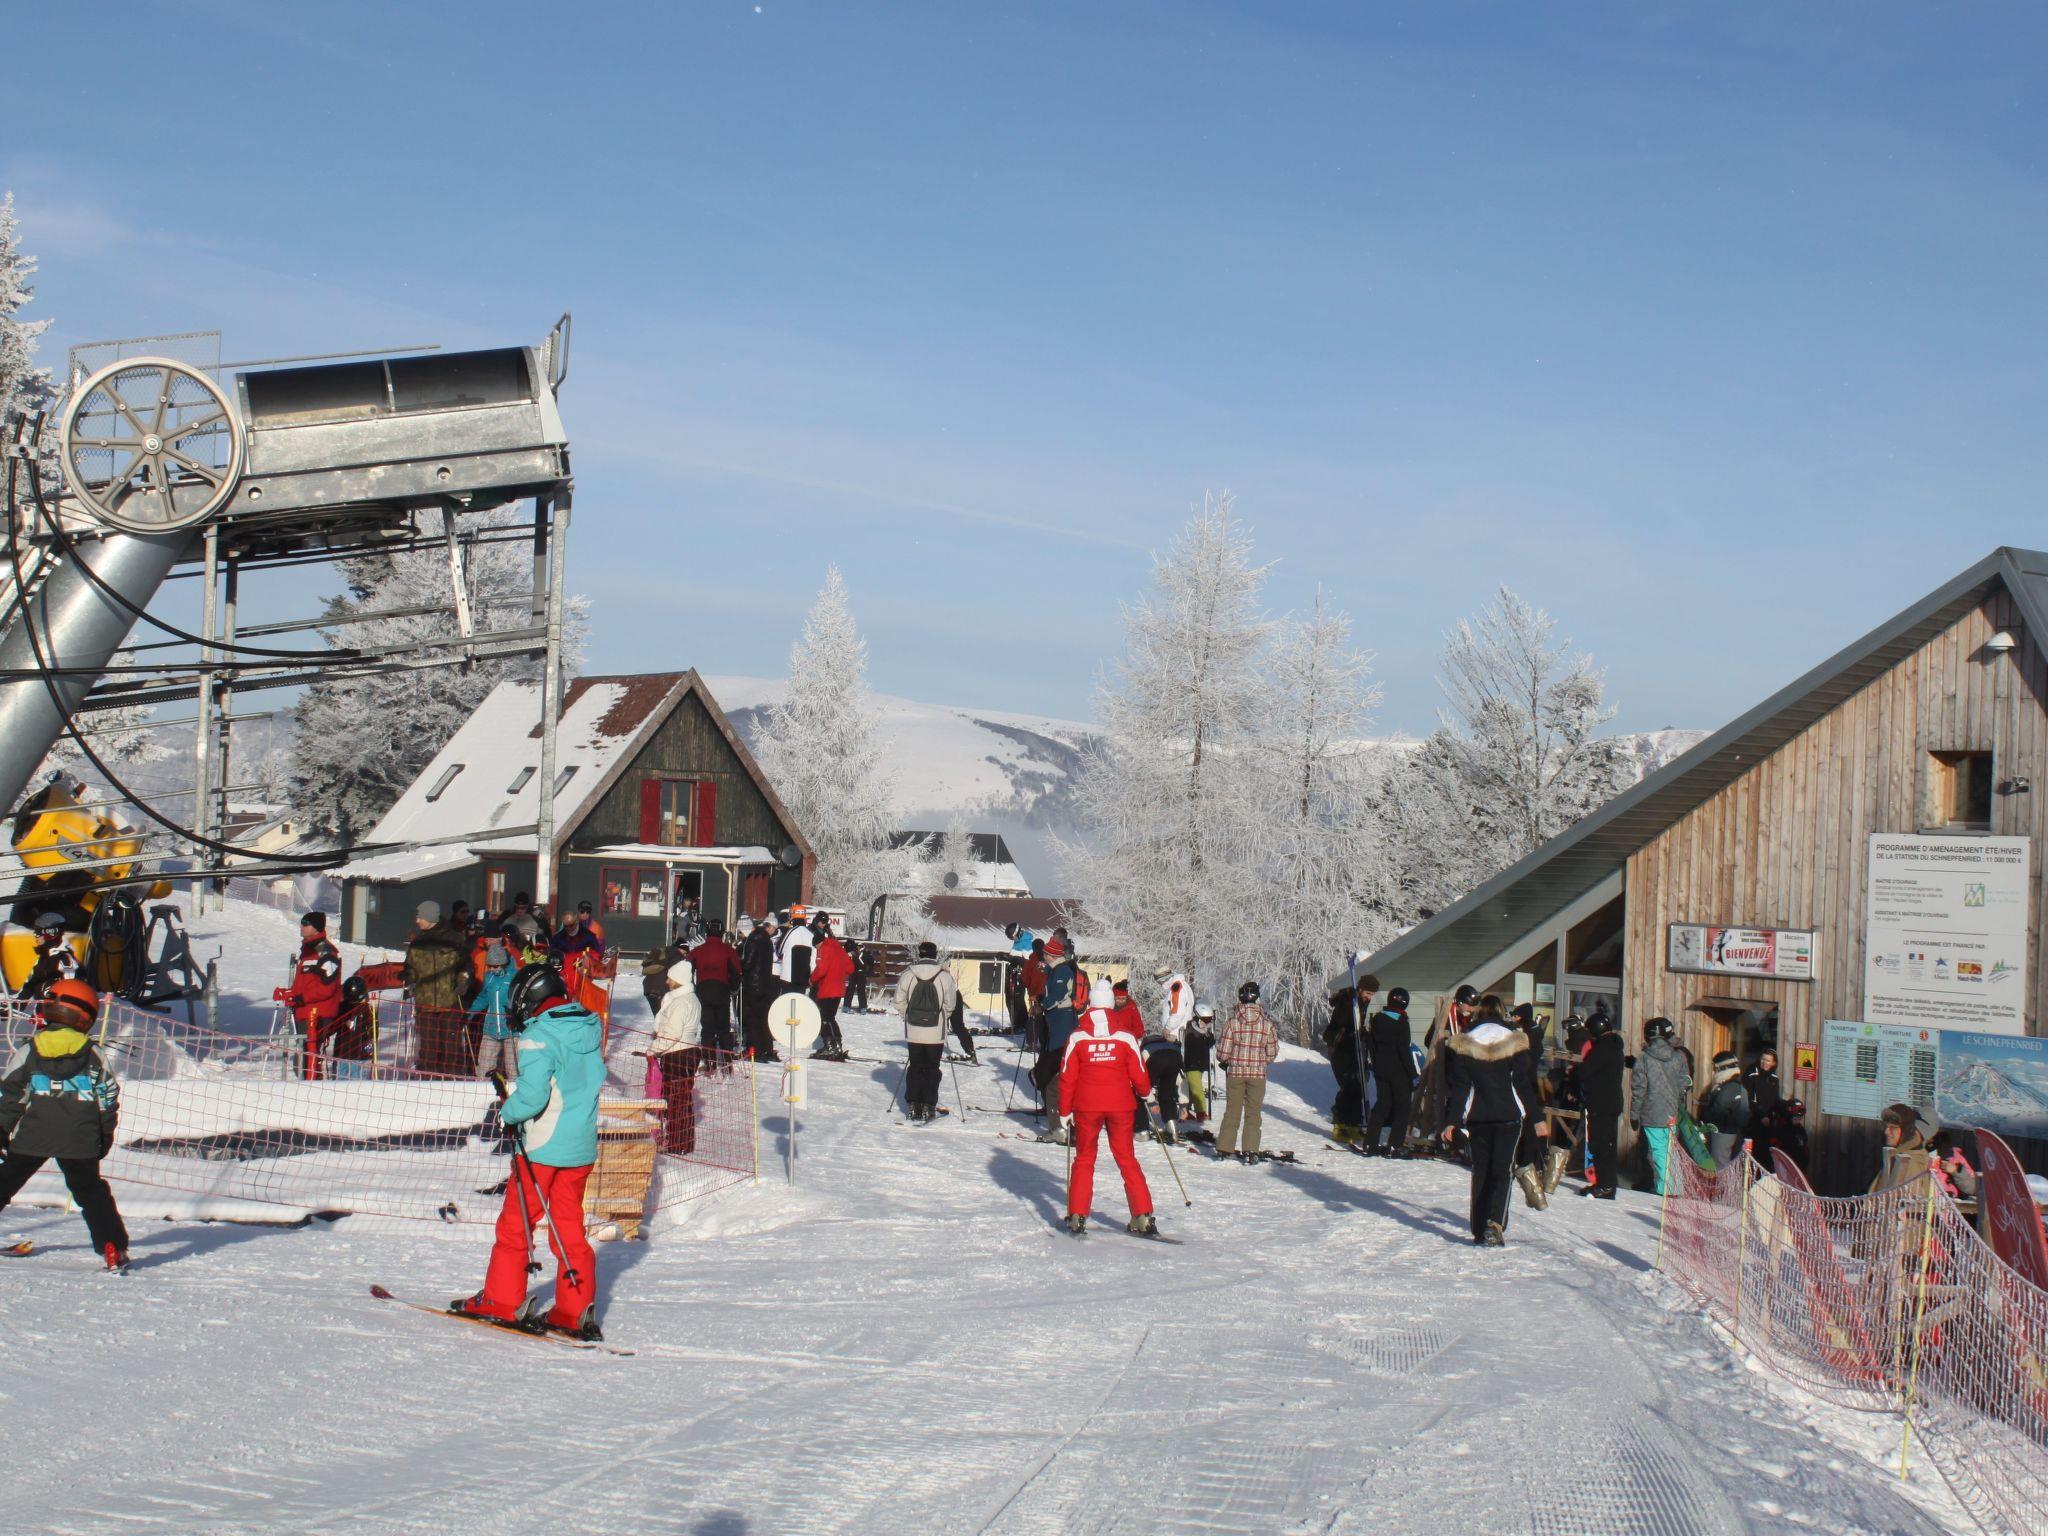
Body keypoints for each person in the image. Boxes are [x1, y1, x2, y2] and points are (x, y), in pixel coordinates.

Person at [454, 964, 606, 1340]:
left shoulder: (538, 1035)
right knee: (568, 1224)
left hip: (540, 1148)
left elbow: (534, 1096)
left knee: (516, 1224)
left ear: (528, 998)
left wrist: (509, 1113)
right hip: (580, 1147)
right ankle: (574, 1308)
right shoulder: (589, 1027)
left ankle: (502, 1300)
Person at [0, 979, 128, 1270]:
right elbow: (108, 1096)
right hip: (79, 1139)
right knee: (91, 1192)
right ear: (86, 1017)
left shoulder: (30, 1050)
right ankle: (112, 1246)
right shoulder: (93, 1054)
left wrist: (2, 1128)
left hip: (33, 1135)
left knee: (5, 1182)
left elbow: (12, 1094)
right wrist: (105, 1131)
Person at [1441, 1004, 1545, 1246]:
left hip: (1477, 1116)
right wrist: (1537, 1117)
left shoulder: (1465, 1043)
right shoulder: (1513, 1041)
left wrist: (1452, 1122)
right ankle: (1495, 1224)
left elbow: (1461, 1086)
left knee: (1481, 1171)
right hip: (1508, 1115)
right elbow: (1522, 1083)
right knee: (1502, 1170)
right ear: (1502, 1014)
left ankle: (1479, 1228)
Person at [1059, 1004, 1158, 1235]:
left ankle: (1077, 1215)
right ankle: (1142, 1215)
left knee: (1084, 1158)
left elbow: (1067, 1076)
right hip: (1120, 1105)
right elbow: (1138, 1070)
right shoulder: (1125, 1036)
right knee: (1126, 1158)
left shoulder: (1077, 1036)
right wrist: (1147, 1094)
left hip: (1087, 1105)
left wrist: (1064, 1110)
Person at [405, 901, 472, 1075]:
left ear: (429, 917)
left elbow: (465, 965)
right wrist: (408, 978)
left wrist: (463, 982)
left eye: (420, 917)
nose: (417, 921)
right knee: (428, 1051)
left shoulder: (454, 939)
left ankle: (452, 1082)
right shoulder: (418, 942)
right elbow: (410, 967)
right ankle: (427, 1082)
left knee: (451, 1050)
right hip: (425, 1005)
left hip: (450, 1003)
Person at [1216, 981, 1279, 1162]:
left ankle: (1224, 1148)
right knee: (1253, 1112)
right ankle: (1251, 1150)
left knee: (1232, 1110)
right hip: (1257, 1074)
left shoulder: (1232, 1023)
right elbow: (1272, 1052)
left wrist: (1228, 1060)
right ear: (1257, 997)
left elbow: (1222, 1053)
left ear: (1240, 997)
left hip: (1235, 1073)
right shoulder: (1267, 1025)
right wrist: (1261, 1061)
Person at [895, 941, 958, 1124]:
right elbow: (950, 1004)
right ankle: (928, 1106)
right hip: (935, 1032)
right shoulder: (944, 976)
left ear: (919, 954)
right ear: (935, 955)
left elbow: (899, 1001)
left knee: (915, 1067)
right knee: (932, 1068)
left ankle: (913, 1104)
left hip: (914, 1030)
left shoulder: (908, 974)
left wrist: (907, 1016)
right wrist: (943, 1017)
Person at [276, 911, 343, 1082]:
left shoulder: (325, 952)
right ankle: (310, 1086)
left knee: (308, 1060)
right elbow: (306, 983)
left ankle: (314, 1089)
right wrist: (289, 993)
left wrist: (300, 998)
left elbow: (327, 988)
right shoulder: (308, 951)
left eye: (306, 923)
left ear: (316, 927)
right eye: (302, 922)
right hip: (304, 1012)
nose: (301, 926)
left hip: (317, 1014)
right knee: (303, 1060)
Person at [647, 960, 704, 1154]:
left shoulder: (681, 1003)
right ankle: (682, 1142)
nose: (667, 982)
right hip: (685, 1051)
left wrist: (653, 1050)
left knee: (676, 1101)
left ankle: (678, 1143)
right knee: (681, 1099)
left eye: (670, 978)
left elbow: (672, 1033)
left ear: (678, 979)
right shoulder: (690, 999)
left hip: (678, 1053)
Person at [1630, 1017, 1691, 1195]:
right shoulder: (1678, 1057)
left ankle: (1667, 1188)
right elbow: (1685, 1082)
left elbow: (1639, 1090)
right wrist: (1676, 1098)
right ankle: (1675, 1185)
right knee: (1670, 1149)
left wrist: (1634, 1114)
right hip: (1671, 1110)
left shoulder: (1644, 1059)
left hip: (1651, 1111)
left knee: (1658, 1150)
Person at [1032, 939, 1081, 1136]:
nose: (1043, 956)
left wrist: (1043, 1005)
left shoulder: (1062, 971)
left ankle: (1060, 1122)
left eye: (1045, 953)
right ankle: (1057, 1116)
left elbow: (1060, 993)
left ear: (1051, 955)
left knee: (1051, 1071)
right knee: (1047, 1071)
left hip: (1062, 1025)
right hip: (1057, 1024)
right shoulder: (1056, 969)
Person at [1361, 986, 1415, 1156]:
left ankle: (1370, 1143)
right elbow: (1403, 1050)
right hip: (1399, 1071)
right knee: (1403, 1107)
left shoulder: (1377, 1018)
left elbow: (1372, 1044)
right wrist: (1412, 1073)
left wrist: (1375, 1063)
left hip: (1381, 1069)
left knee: (1383, 1105)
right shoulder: (1401, 1022)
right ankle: (1395, 1145)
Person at [1578, 1010, 1626, 1199]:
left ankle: (1606, 1185)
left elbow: (1586, 1071)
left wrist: (1573, 1072)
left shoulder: (1602, 1049)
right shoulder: (1614, 1046)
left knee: (1601, 1145)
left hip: (1602, 1103)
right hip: (1610, 1102)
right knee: (1605, 1144)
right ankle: (1604, 1183)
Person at [1323, 972, 1374, 1145]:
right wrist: (1351, 1032)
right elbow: (1338, 1024)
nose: (1370, 997)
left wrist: (1363, 1034)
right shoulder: (1347, 1002)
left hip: (1355, 1049)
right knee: (1348, 1087)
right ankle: (1340, 1124)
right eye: (1368, 993)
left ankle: (1353, 1123)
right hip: (1343, 1049)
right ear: (1360, 989)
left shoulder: (1361, 1003)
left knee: (1358, 1086)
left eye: (1372, 994)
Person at [1141, 978, 1189, 1140]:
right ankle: (1172, 1128)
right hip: (1174, 1056)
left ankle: (1141, 1129)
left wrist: (1151, 1101)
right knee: (1166, 1092)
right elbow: (1181, 1080)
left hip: (1155, 1058)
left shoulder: (1145, 1049)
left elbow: (1142, 1080)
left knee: (1139, 1094)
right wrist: (1184, 1104)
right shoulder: (1169, 1046)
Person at [690, 918, 742, 1056]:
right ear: (722, 933)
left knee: (707, 1029)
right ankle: (727, 1061)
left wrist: (692, 987)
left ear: (706, 932)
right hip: (721, 991)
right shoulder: (729, 951)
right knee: (723, 1028)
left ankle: (709, 1062)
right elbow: (737, 972)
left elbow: (686, 969)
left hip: (703, 990)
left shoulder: (697, 951)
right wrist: (733, 988)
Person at [469, 942, 517, 1081]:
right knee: (484, 1068)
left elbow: (523, 1000)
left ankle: (514, 1092)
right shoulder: (489, 977)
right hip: (491, 1028)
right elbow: (483, 998)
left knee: (513, 1069)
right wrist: (469, 1014)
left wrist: (515, 1013)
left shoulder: (514, 977)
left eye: (495, 966)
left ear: (503, 963)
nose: (492, 969)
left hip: (511, 1029)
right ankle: (483, 1091)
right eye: (489, 966)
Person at [807, 918, 853, 1060]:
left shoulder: (824, 949)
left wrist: (812, 979)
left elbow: (821, 969)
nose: (817, 950)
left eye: (816, 947)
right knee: (830, 1018)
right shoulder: (839, 949)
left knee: (825, 1018)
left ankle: (830, 1046)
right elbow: (850, 968)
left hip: (827, 989)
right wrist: (838, 973)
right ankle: (837, 1044)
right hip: (838, 989)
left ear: (818, 943)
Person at [1698, 1050, 1750, 1168]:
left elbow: (1719, 1110)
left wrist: (1704, 1115)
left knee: (1720, 1165)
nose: (1713, 1072)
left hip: (1723, 1133)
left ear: (1722, 1068)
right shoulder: (1734, 1085)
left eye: (1715, 1068)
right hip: (1728, 1131)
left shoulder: (1729, 1088)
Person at [740, 914, 780, 1061]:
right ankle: (766, 1049)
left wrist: (739, 964)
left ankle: (754, 1050)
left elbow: (748, 963)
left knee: (753, 1019)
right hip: (765, 984)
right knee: (763, 1018)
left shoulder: (754, 939)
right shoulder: (766, 940)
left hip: (753, 984)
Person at [1871, 1102, 1933, 1194]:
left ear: (1906, 1130)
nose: (1886, 1132)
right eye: (1886, 1126)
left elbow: (1912, 1201)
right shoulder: (1898, 1156)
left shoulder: (1909, 1163)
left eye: (1893, 1127)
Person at [16, 912, 79, 1000]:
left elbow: (71, 992)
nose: (35, 935)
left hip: (55, 1007)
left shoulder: (64, 959)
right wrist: (17, 1004)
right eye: (35, 932)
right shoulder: (43, 958)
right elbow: (30, 985)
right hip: (42, 1007)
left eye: (39, 932)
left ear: (51, 934)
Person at [329, 975, 373, 1079]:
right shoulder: (343, 1007)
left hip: (357, 1054)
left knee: (355, 1080)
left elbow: (373, 1030)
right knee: (343, 1081)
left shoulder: (367, 1009)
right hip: (344, 1053)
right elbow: (333, 1026)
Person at [1181, 1002, 1216, 1123]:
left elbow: (1209, 1042)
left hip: (1200, 1064)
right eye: (1205, 1020)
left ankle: (1185, 1110)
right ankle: (1201, 1112)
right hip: (1191, 1064)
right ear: (1197, 1018)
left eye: (1209, 1020)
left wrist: (1210, 1038)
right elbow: (1191, 1043)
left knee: (1191, 1089)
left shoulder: (1205, 1031)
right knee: (1197, 1089)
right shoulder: (1190, 1030)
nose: (1207, 1023)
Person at [1743, 1049, 1784, 1127]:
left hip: (1768, 1120)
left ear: (1773, 1063)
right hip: (1752, 1119)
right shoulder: (1751, 1075)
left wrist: (1787, 1106)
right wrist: (1762, 1116)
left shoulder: (1774, 1079)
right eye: (1763, 1059)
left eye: (1768, 1061)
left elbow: (1776, 1099)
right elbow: (1749, 1099)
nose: (1764, 1062)